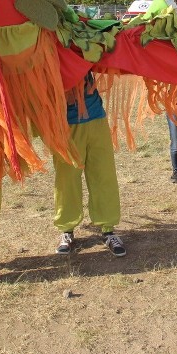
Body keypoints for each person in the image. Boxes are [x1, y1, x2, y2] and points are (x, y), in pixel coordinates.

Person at [52, 71, 126, 257]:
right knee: (67, 181)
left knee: (104, 176)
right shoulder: (47, 47)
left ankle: (108, 230)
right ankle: (67, 230)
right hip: (65, 125)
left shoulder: (84, 44)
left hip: (96, 118)